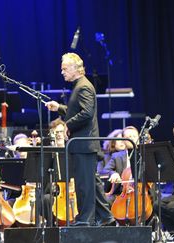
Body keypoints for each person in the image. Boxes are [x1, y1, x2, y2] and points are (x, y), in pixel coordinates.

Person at [45, 52, 114, 226]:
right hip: (83, 144)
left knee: (84, 185)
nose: (62, 72)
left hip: (84, 144)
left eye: (65, 68)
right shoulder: (80, 86)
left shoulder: (83, 86)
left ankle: (85, 220)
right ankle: (106, 217)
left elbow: (87, 113)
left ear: (76, 68)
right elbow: (78, 110)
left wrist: (68, 124)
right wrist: (59, 107)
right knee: (92, 183)